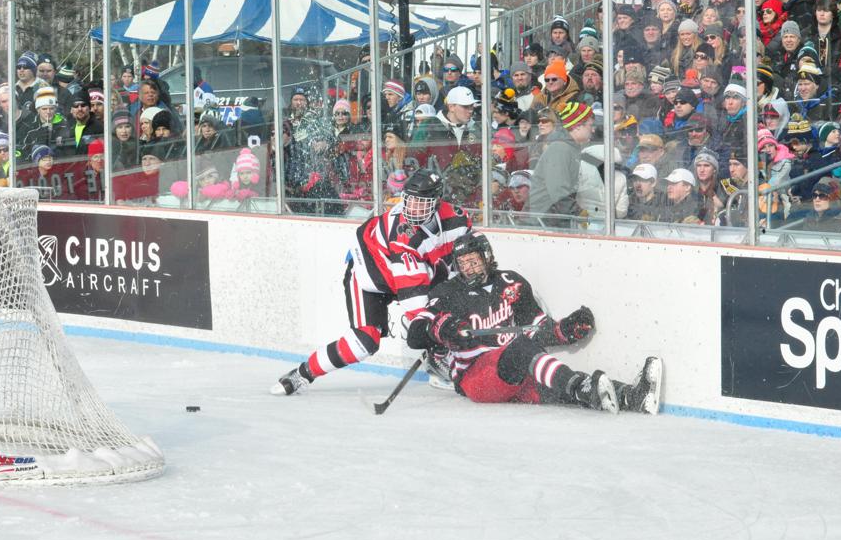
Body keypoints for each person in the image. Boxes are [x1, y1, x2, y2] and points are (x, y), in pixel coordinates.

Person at [405, 231, 661, 414]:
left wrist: (564, 330)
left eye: (473, 261)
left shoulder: (511, 282)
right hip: (476, 378)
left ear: (486, 256)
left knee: (557, 385)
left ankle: (633, 397)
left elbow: (535, 329)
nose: (468, 269)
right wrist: (441, 329)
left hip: (516, 371)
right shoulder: (448, 292)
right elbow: (415, 334)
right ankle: (579, 386)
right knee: (524, 351)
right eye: (462, 264)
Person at [272, 169, 472, 396]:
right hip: (370, 274)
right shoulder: (403, 236)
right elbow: (416, 307)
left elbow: (469, 258)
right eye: (410, 201)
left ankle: (443, 359)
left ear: (436, 202)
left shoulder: (457, 218)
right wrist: (432, 334)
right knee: (364, 342)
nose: (413, 209)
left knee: (455, 300)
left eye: (421, 203)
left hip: (409, 271)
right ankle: (302, 373)